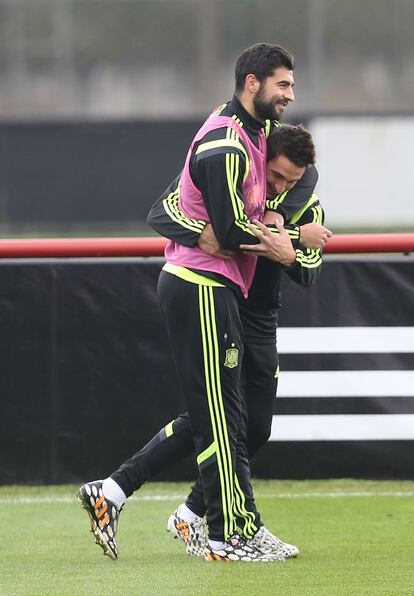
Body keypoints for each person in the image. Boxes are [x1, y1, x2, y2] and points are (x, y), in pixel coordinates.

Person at [78, 43, 329, 562]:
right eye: (283, 84)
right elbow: (168, 208)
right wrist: (261, 238)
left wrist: (292, 244)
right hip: (207, 287)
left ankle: (137, 498)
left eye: (290, 181)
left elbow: (305, 269)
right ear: (254, 82)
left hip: (251, 311)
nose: (280, 186)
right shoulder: (230, 139)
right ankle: (224, 531)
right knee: (220, 419)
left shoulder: (282, 166)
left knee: (235, 422)